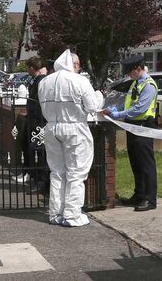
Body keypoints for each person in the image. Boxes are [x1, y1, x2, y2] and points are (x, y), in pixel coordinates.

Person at [38, 50, 103, 227]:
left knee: (57, 172)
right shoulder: (80, 80)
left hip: (51, 127)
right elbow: (92, 106)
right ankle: (72, 214)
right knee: (76, 172)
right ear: (73, 64)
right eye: (78, 64)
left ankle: (56, 212)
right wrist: (99, 96)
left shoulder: (45, 82)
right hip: (75, 127)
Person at [103, 54, 159, 212]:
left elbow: (139, 108)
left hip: (143, 126)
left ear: (138, 68)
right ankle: (139, 194)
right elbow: (128, 102)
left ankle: (150, 199)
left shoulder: (148, 85)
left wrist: (118, 115)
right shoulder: (136, 83)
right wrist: (116, 109)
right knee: (135, 162)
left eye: (130, 72)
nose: (129, 75)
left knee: (146, 164)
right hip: (133, 127)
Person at [17, 56, 49, 191]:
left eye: (28, 67)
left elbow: (38, 102)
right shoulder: (36, 80)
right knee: (30, 148)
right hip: (33, 120)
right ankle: (32, 174)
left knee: (38, 151)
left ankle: (41, 181)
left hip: (39, 121)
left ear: (31, 67)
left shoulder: (40, 81)